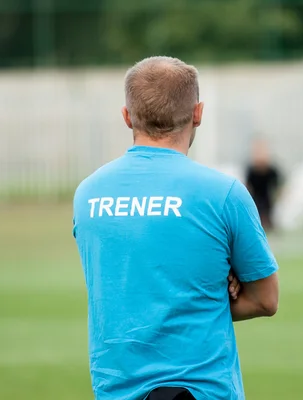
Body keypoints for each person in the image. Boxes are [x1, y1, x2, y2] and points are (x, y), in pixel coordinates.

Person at [73, 56, 279, 400]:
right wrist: (214, 289)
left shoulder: (88, 194)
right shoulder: (224, 194)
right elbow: (266, 299)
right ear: (198, 113)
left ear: (126, 116)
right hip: (203, 392)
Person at [246, 141, 281, 231]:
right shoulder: (251, 170)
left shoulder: (272, 170)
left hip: (268, 203)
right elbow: (248, 187)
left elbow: (278, 187)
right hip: (255, 203)